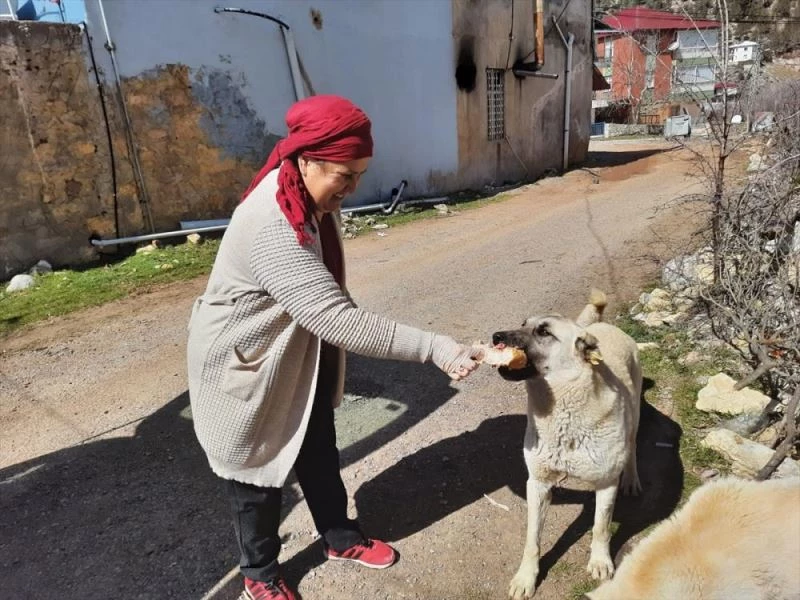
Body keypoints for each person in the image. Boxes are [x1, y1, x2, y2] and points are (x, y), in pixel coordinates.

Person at [187, 94, 480, 600]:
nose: (352, 187)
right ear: (306, 161)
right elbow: (338, 319)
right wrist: (434, 346)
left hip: (299, 350)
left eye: (360, 174)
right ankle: (259, 574)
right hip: (249, 362)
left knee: (318, 447)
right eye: (344, 175)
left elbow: (325, 297)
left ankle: (339, 538)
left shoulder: (311, 199)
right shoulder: (273, 223)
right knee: (255, 472)